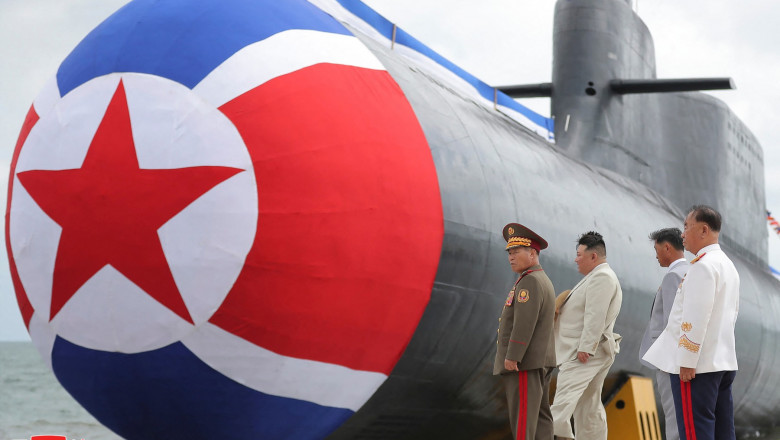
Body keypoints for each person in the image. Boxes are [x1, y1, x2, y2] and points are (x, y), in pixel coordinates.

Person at [643, 206, 739, 440]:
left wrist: (686, 360)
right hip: (721, 362)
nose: (683, 234)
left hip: (697, 367)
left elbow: (695, 316)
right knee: (723, 430)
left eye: (687, 227)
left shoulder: (702, 266)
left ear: (704, 230)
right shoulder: (727, 265)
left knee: (695, 431)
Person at [551, 231, 622, 440]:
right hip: (590, 351)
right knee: (588, 407)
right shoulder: (597, 276)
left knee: (562, 405)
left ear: (594, 256)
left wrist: (586, 348)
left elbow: (595, 315)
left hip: (583, 354)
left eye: (579, 254)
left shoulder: (602, 277)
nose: (575, 259)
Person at [494, 223, 556, 440]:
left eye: (516, 252)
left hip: (525, 363)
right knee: (540, 417)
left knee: (523, 420)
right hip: (540, 360)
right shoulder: (540, 279)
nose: (511, 257)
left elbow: (524, 323)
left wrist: (513, 356)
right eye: (509, 253)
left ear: (532, 253)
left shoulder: (529, 282)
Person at [639, 228, 690, 440]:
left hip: (670, 363)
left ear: (667, 247)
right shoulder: (691, 271)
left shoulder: (673, 276)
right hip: (684, 360)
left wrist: (666, 361)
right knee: (685, 416)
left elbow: (673, 325)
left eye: (657, 249)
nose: (656, 255)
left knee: (674, 417)